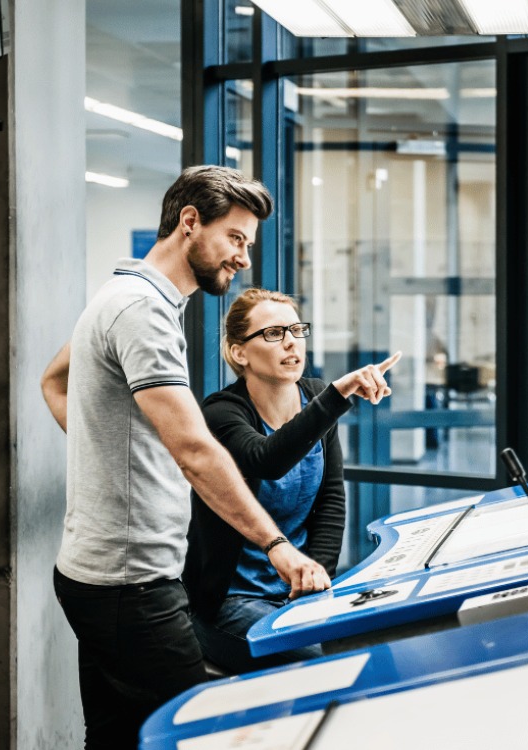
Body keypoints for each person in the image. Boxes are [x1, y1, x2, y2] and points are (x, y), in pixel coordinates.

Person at [40, 166, 332, 750]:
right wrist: (276, 546)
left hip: (98, 575)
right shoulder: (143, 310)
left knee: (121, 737)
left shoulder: (130, 293)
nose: (244, 258)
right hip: (133, 585)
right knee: (200, 735)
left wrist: (112, 453)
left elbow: (55, 381)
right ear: (190, 222)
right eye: (236, 239)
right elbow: (197, 450)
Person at [184, 287, 400, 673]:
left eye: (297, 330)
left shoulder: (315, 398)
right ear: (239, 352)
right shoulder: (222, 412)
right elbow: (267, 459)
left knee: (385, 647)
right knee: (336, 667)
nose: (291, 343)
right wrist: (340, 392)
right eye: (273, 334)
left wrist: (315, 582)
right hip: (233, 602)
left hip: (298, 596)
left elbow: (331, 502)